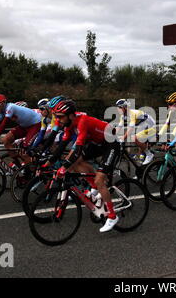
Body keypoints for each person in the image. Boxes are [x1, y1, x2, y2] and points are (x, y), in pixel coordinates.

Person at [44, 99, 121, 232]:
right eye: (57, 117)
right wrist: (49, 162)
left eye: (60, 117)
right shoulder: (68, 125)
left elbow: (78, 148)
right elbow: (62, 146)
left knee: (100, 179)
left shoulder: (82, 121)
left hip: (110, 143)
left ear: (71, 115)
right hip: (97, 143)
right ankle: (93, 187)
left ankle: (112, 216)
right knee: (73, 163)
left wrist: (63, 167)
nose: (58, 120)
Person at [0, 94, 41, 168]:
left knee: (24, 151)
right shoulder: (2, 112)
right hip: (24, 126)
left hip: (35, 125)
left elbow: (2, 126)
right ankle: (18, 164)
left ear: (3, 103)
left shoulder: (10, 107)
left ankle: (32, 172)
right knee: (5, 140)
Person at [115, 99, 156, 166]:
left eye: (120, 107)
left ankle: (149, 154)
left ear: (125, 107)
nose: (118, 109)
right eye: (117, 107)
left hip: (151, 127)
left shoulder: (132, 114)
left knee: (134, 138)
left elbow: (130, 128)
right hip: (143, 127)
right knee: (140, 153)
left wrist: (123, 138)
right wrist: (111, 135)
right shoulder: (123, 116)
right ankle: (141, 171)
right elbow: (119, 127)